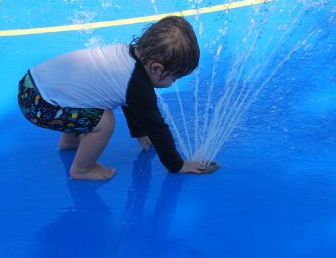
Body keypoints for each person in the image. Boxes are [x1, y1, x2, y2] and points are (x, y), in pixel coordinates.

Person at [17, 16, 207, 180]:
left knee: (86, 101)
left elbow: (129, 102)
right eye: (173, 78)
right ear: (157, 68)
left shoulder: (125, 54)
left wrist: (139, 132)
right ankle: (82, 169)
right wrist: (177, 165)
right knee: (105, 121)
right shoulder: (137, 86)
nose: (173, 83)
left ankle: (70, 143)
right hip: (40, 106)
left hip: (31, 87)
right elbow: (156, 127)